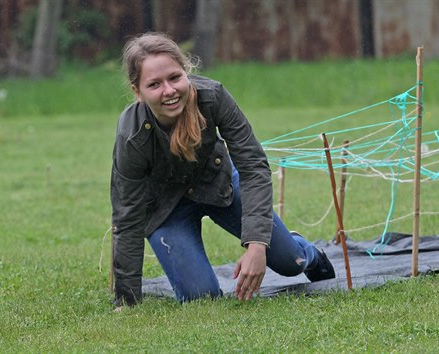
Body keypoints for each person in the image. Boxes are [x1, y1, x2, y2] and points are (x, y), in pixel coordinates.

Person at [110, 32, 335, 307]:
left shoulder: (213, 97)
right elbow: (127, 215)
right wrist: (127, 300)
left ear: (186, 72)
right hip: (166, 210)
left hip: (221, 185)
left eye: (174, 78)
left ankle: (306, 251)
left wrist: (256, 243)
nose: (168, 91)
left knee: (291, 262)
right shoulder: (131, 135)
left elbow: (253, 167)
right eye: (154, 84)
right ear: (138, 92)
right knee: (201, 299)